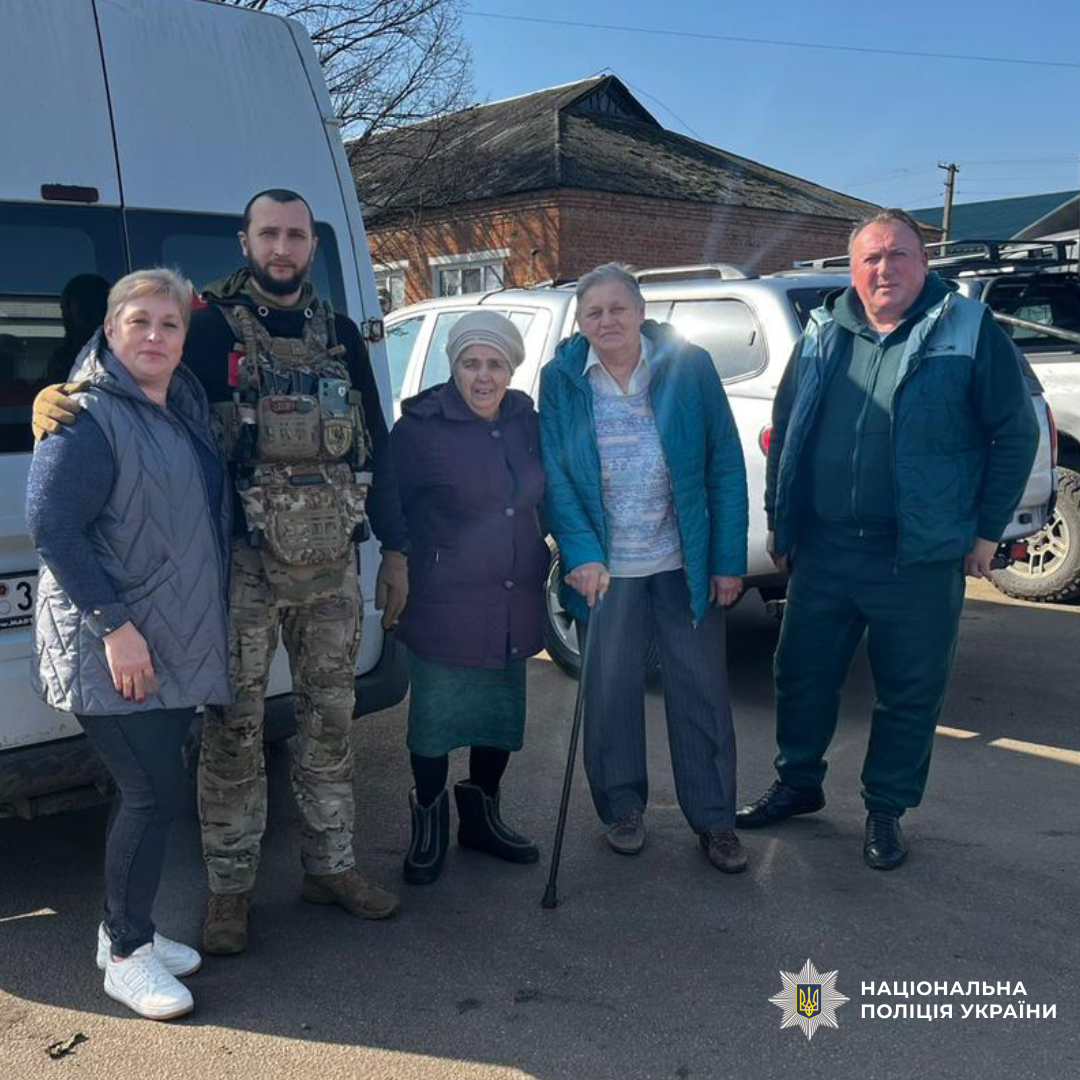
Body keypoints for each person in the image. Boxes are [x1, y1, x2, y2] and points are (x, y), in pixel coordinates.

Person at [32, 189, 411, 953]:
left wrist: (395, 547)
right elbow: (129, 366)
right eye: (268, 233)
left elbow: (376, 439)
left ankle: (330, 866)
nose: (282, 248)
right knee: (233, 733)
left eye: (296, 235)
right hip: (238, 568)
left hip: (333, 562)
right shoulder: (202, 326)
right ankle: (229, 895)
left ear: (311, 245)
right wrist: (59, 392)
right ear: (245, 240)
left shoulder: (338, 332)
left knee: (331, 724)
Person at [737, 209, 1040, 870]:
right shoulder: (822, 329)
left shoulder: (967, 328)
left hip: (918, 554)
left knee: (909, 689)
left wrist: (988, 529)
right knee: (801, 673)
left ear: (922, 262)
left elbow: (1014, 432)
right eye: (871, 258)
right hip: (825, 550)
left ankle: (885, 808)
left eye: (898, 254)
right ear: (853, 268)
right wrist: (781, 521)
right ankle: (798, 784)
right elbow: (789, 429)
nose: (884, 268)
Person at [27, 269, 230, 1020]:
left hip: (170, 636)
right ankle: (125, 954)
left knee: (152, 791)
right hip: (117, 643)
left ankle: (126, 927)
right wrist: (115, 628)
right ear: (108, 331)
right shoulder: (83, 417)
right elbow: (53, 527)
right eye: (137, 321)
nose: (154, 336)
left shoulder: (180, 402)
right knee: (151, 795)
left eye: (169, 324)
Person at [539, 263, 750, 873]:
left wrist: (727, 560)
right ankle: (622, 807)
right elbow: (555, 473)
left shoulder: (690, 365)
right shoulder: (562, 379)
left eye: (617, 308)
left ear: (639, 310)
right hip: (606, 568)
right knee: (610, 693)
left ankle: (715, 820)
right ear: (580, 322)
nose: (607, 321)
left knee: (701, 691)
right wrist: (579, 554)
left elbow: (725, 465)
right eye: (593, 313)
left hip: (682, 560)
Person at [390, 311, 547, 884]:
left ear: (512, 368)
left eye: (496, 363)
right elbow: (390, 508)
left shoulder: (526, 420)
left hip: (512, 596)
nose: (484, 376)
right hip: (443, 599)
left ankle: (481, 820)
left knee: (498, 716)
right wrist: (398, 565)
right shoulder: (419, 428)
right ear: (452, 366)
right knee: (435, 720)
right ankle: (428, 824)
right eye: (471, 363)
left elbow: (546, 492)